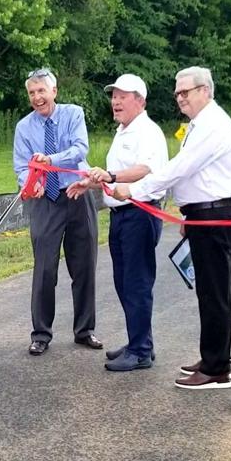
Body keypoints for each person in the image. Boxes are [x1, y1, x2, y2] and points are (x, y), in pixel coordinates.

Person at [111, 66, 231, 390]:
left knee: (213, 294)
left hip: (215, 216)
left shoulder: (213, 125)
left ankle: (216, 369)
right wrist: (188, 214)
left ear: (205, 91)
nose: (180, 98)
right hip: (203, 215)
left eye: (186, 91)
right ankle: (214, 359)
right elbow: (191, 176)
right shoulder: (200, 125)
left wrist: (134, 190)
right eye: (177, 93)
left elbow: (179, 168)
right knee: (208, 292)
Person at [67, 74, 167, 371]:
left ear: (140, 101)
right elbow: (113, 176)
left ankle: (140, 351)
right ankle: (140, 342)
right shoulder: (123, 131)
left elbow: (145, 169)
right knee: (124, 282)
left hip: (140, 213)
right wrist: (90, 183)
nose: (116, 102)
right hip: (121, 215)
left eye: (123, 97)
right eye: (114, 96)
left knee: (136, 283)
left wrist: (110, 176)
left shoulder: (147, 131)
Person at [13, 68, 100, 356]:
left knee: (84, 265)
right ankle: (41, 334)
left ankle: (85, 330)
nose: (37, 97)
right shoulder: (24, 127)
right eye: (32, 93)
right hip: (45, 200)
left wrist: (50, 160)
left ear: (54, 91)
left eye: (41, 91)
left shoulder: (73, 114)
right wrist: (30, 184)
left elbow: (79, 149)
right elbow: (21, 166)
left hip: (77, 193)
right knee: (44, 269)